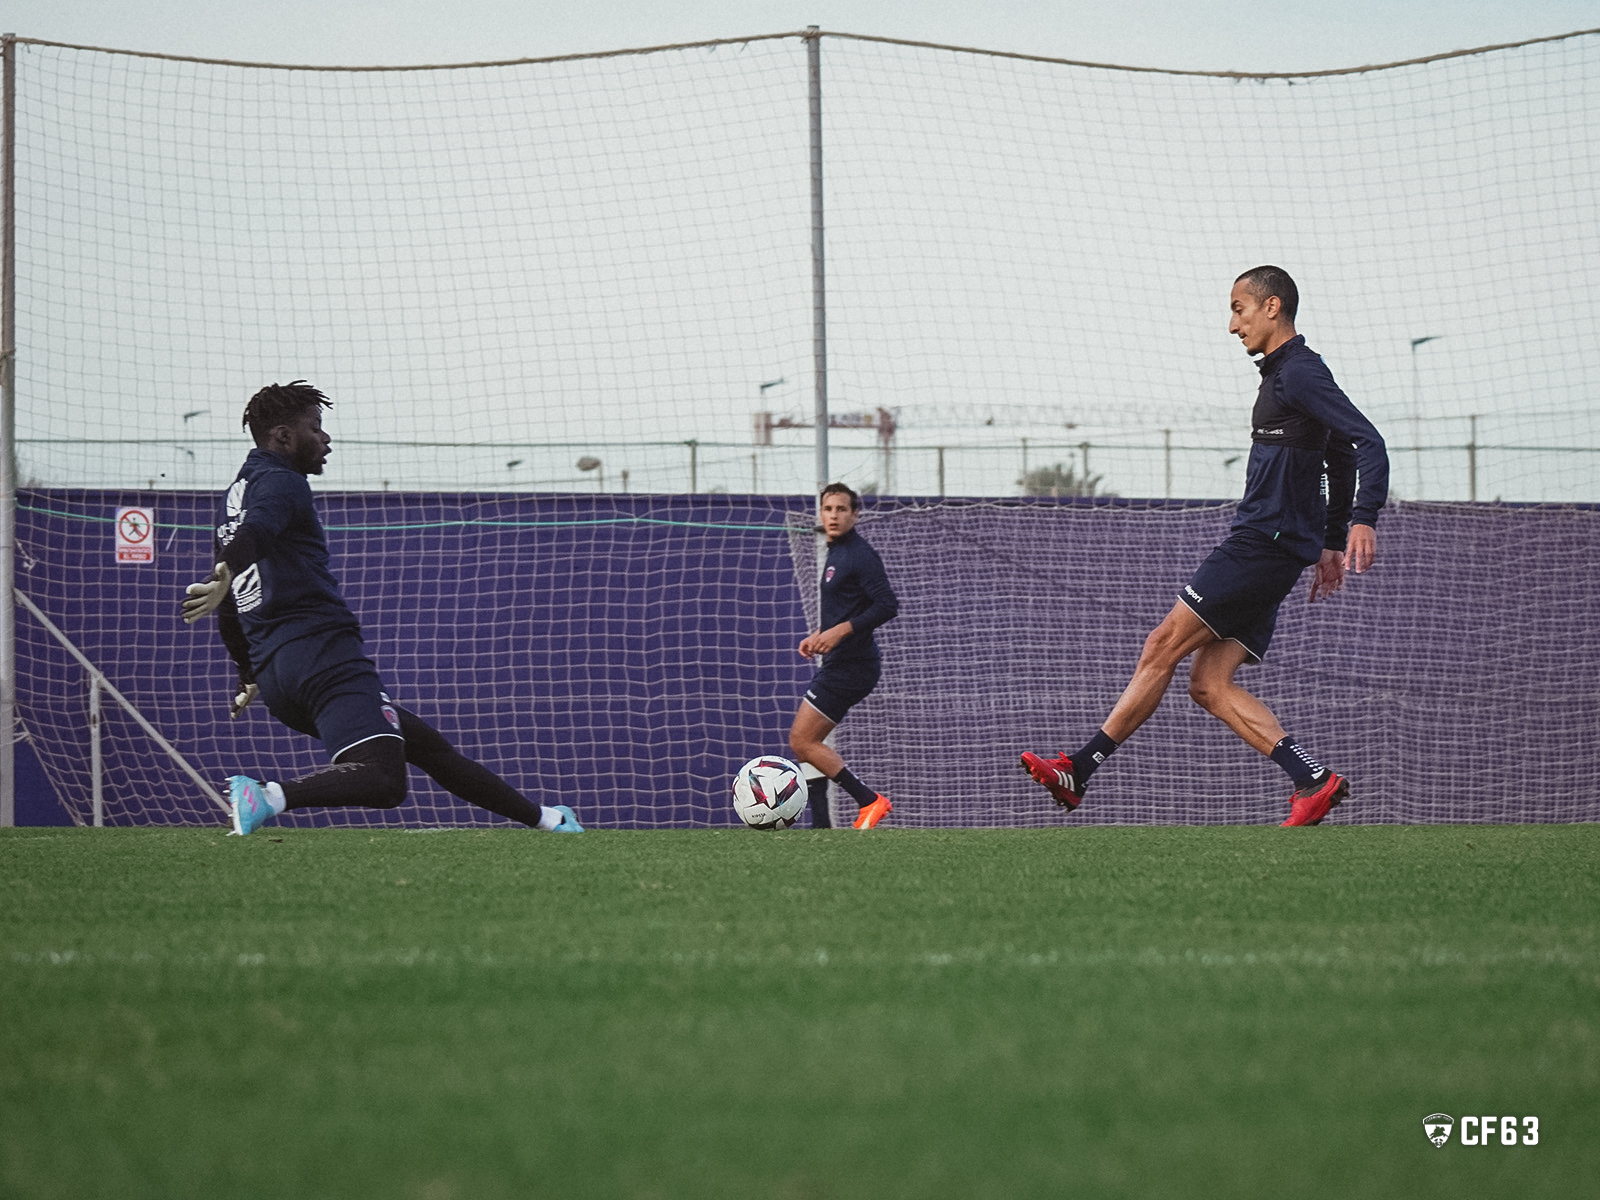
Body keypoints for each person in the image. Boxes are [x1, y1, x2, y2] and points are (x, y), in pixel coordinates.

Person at [1021, 266, 1389, 826]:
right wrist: (1331, 540)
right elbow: (1336, 452)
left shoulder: (1301, 373)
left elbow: (1367, 442)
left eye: (1239, 309)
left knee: (1161, 645)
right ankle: (1313, 780)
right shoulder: (1283, 376)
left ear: (1272, 307)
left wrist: (1361, 521)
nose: (1231, 324)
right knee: (1210, 684)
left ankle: (1079, 770)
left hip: (1261, 545)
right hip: (1277, 546)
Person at [181, 381, 583, 836]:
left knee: (429, 749)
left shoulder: (236, 495)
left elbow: (229, 596)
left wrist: (247, 671)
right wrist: (230, 569)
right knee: (384, 780)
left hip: (278, 680)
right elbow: (257, 535)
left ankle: (550, 820)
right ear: (283, 436)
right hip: (323, 656)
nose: (326, 439)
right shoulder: (281, 482)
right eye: (316, 428)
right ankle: (269, 797)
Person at [789, 483, 899, 829]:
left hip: (854, 665)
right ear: (821, 514)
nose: (834, 515)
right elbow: (846, 607)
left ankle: (869, 801)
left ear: (855, 514)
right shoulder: (835, 551)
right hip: (840, 662)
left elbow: (887, 605)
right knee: (808, 743)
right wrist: (821, 635)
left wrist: (839, 632)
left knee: (802, 740)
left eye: (841, 509)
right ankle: (822, 826)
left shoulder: (859, 554)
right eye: (828, 509)